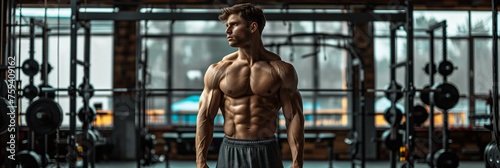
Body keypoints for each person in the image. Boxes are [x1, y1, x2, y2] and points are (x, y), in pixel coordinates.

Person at [195, 3, 304, 168]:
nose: (227, 31)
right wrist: (200, 161)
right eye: (227, 26)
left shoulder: (281, 70)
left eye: (234, 25)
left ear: (253, 27)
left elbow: (293, 116)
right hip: (231, 148)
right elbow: (205, 117)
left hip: (266, 149)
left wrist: (297, 162)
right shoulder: (219, 70)